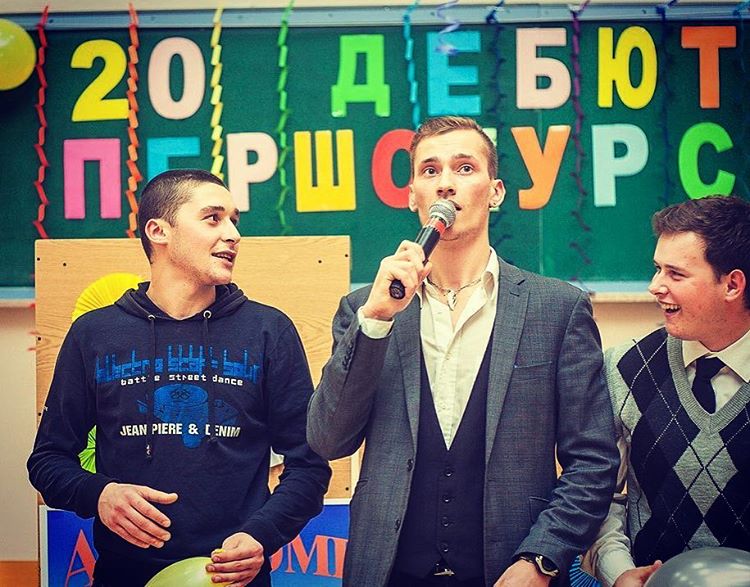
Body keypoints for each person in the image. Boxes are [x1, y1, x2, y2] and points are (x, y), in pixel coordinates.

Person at [307, 116, 619, 586]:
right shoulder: (366, 309)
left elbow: (593, 461)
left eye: (465, 168)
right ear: (412, 195)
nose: (446, 184)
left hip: (510, 571)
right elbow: (328, 440)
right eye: (430, 170)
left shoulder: (557, 308)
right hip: (389, 573)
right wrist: (376, 319)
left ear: (495, 192)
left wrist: (542, 558)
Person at [28, 169, 331, 587]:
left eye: (234, 221)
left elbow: (309, 467)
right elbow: (47, 461)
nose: (233, 235)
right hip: (123, 576)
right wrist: (99, 495)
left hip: (233, 579)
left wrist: (261, 536)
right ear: (159, 231)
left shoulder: (269, 331)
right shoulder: (94, 334)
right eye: (213, 218)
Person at [583, 195, 750, 587]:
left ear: (732, 284)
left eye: (675, 274)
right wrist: (618, 571)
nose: (655, 286)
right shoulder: (623, 367)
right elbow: (599, 499)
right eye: (658, 268)